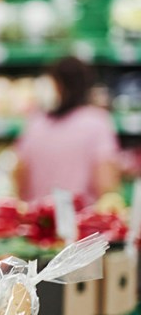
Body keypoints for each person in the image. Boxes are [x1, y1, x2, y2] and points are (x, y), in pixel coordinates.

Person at [14, 55, 121, 205]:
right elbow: (106, 185)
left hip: (37, 220)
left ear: (56, 85)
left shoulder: (35, 124)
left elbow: (20, 180)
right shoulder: (97, 122)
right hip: (83, 222)